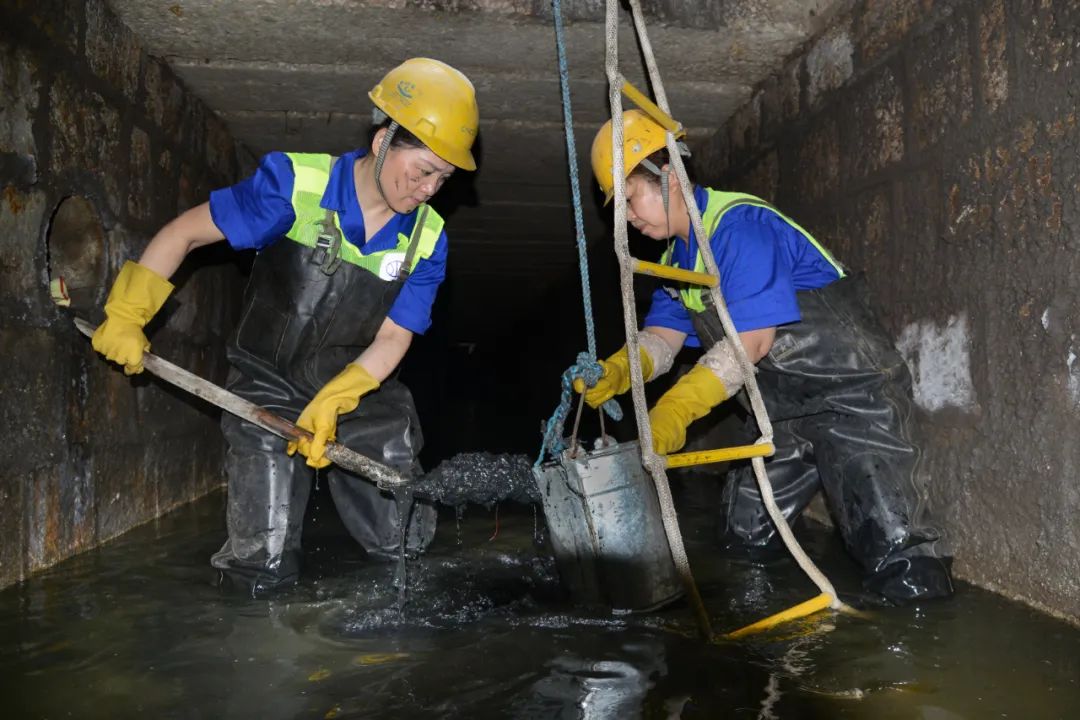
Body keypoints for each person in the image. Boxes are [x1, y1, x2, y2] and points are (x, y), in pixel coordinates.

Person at [91, 58, 479, 592]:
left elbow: (394, 337)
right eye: (423, 169)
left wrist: (341, 396)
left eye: (443, 177)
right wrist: (127, 314)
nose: (430, 189)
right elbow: (185, 234)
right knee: (263, 560)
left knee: (404, 546)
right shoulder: (294, 184)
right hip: (267, 380)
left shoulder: (428, 240)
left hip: (360, 388)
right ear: (384, 140)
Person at [577, 109, 953, 604]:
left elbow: (751, 344)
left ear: (668, 174)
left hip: (851, 400)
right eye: (618, 210)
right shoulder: (674, 261)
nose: (627, 220)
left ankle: (916, 660)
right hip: (781, 414)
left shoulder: (738, 226)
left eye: (629, 201)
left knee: (898, 556)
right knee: (742, 537)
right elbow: (662, 341)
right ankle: (769, 649)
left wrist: (675, 411)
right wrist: (617, 372)